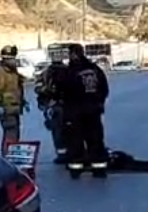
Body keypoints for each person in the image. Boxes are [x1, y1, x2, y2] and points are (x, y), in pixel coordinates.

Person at [57, 44, 110, 177]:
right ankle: (99, 168)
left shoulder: (70, 71)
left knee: (75, 141)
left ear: (73, 54)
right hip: (93, 112)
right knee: (96, 140)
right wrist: (98, 103)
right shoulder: (95, 70)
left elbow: (62, 90)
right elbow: (104, 89)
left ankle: (76, 169)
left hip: (75, 113)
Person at [0, 45, 28, 152]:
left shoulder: (13, 72)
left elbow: (17, 89)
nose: (13, 61)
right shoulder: (0, 72)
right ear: (5, 59)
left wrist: (23, 102)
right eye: (10, 59)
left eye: (13, 58)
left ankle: (10, 156)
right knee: (10, 135)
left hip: (15, 109)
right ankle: (7, 157)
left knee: (14, 134)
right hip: (7, 109)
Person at [35, 60, 71, 163]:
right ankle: (70, 152)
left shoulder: (47, 72)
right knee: (69, 130)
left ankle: (62, 154)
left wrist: (44, 102)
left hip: (54, 106)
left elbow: (39, 88)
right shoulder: (69, 71)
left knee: (57, 131)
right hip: (67, 106)